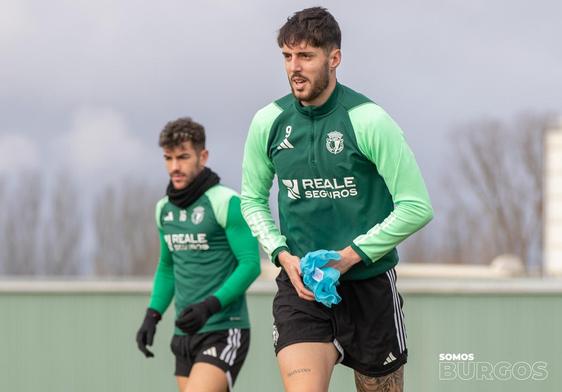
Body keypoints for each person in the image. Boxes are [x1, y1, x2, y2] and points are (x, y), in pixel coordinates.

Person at [240, 7, 433, 392]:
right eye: (287, 56)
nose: (295, 67)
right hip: (302, 289)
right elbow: (252, 200)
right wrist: (281, 254)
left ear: (334, 58)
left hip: (369, 287)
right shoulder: (269, 121)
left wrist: (349, 256)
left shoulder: (368, 119)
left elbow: (416, 206)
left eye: (306, 56)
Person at [136, 117, 261, 392]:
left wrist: (210, 306)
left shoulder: (226, 202)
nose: (174, 167)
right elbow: (167, 268)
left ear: (202, 157)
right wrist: (152, 316)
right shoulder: (163, 210)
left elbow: (251, 265)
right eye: (168, 158)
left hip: (223, 329)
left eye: (183, 157)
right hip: (184, 334)